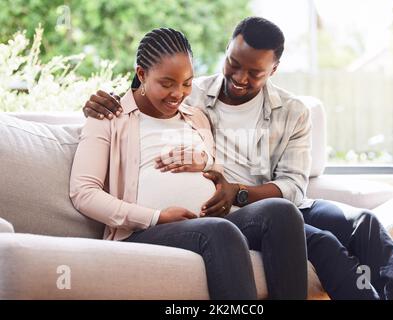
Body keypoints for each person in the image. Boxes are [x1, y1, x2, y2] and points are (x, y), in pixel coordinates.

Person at [84, 17, 393, 300]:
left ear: (274, 70)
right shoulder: (192, 94)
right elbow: (146, 96)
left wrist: (238, 191)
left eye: (254, 73)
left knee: (363, 223)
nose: (239, 77)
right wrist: (98, 101)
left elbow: (293, 187)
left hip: (263, 199)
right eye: (233, 64)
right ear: (227, 50)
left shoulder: (292, 111)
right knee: (322, 242)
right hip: (230, 211)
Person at [70, 27, 308, 300]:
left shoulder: (196, 117)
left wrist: (207, 164)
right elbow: (83, 192)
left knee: (283, 212)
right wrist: (156, 217)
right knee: (219, 231)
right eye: (167, 83)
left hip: (214, 221)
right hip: (148, 231)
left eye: (186, 83)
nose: (178, 93)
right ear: (141, 74)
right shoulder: (109, 118)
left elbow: (215, 170)